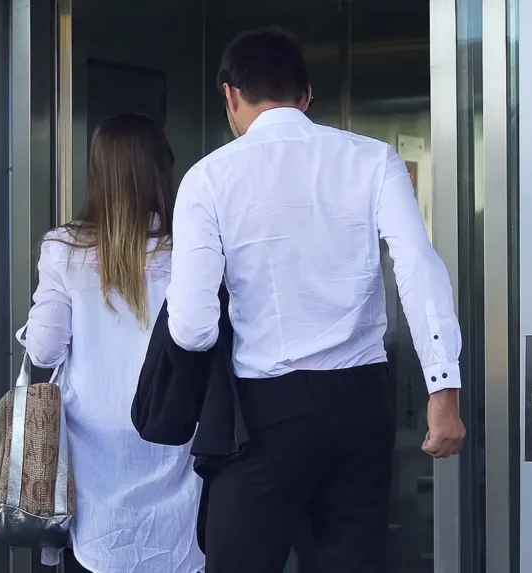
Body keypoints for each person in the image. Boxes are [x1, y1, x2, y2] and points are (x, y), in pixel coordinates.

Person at [166, 27, 467, 573]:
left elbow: (192, 328)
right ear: (306, 97)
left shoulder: (208, 179)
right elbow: (419, 268)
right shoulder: (374, 160)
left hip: (263, 415)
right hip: (359, 406)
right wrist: (442, 390)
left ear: (230, 95)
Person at [19, 114, 203, 573]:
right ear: (161, 169)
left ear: (97, 174)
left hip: (93, 458)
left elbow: (43, 350)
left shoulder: (64, 248)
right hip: (173, 442)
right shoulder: (190, 247)